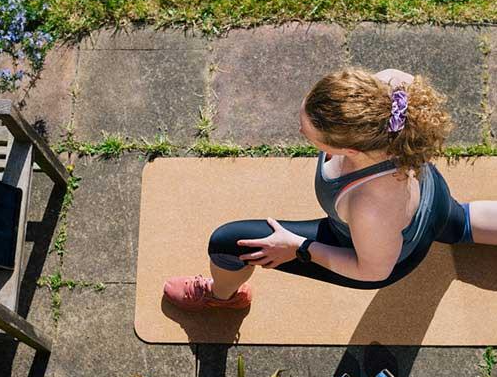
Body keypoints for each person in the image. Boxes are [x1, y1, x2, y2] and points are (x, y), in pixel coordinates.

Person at [163, 67, 497, 311]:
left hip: (385, 250)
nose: (299, 129)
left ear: (349, 151)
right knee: (459, 221)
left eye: (308, 133)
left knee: (228, 242)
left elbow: (372, 270)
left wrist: (299, 247)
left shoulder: (371, 206)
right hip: (433, 196)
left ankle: (222, 298)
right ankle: (462, 224)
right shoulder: (391, 89)